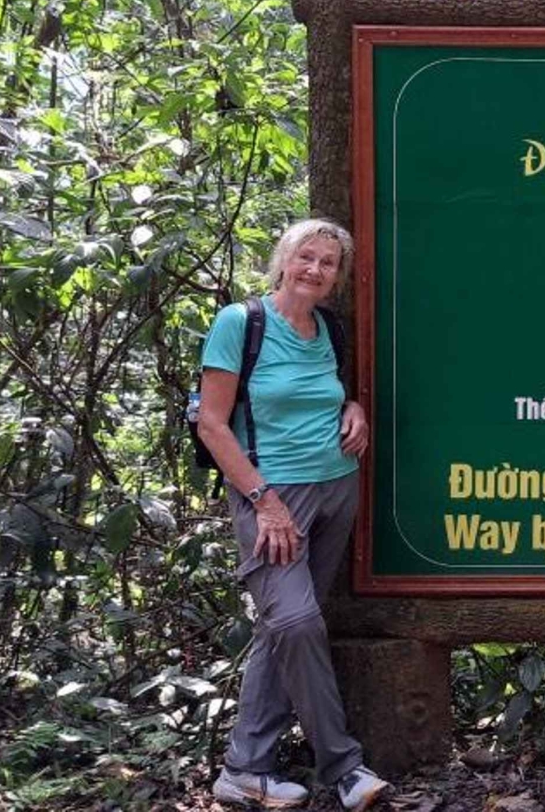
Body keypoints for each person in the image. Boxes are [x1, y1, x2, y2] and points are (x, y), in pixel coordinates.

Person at [200, 218, 391, 810]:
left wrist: (355, 406)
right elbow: (211, 422)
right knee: (297, 623)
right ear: (284, 259)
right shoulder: (241, 323)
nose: (314, 269)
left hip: (337, 488)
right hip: (273, 496)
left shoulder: (327, 328)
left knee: (280, 628)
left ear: (337, 276)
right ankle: (345, 768)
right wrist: (265, 503)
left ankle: (245, 769)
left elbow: (323, 393)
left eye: (327, 263)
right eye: (305, 256)